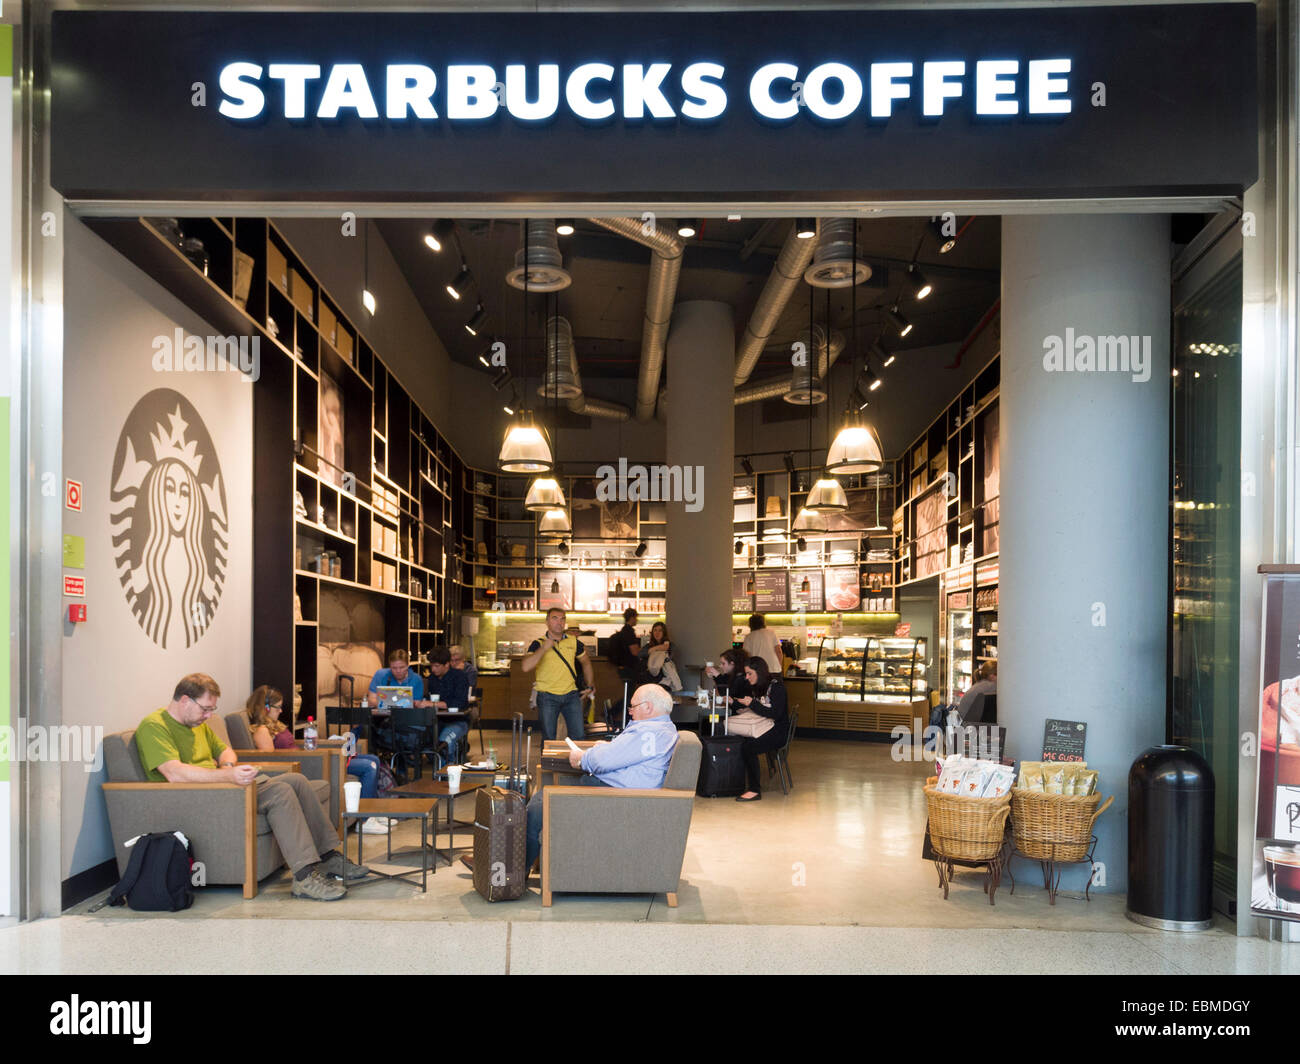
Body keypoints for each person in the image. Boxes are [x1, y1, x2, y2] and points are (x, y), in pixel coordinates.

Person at [135, 673, 369, 901]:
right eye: (205, 709)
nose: (207, 716)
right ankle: (304, 878)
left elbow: (226, 750)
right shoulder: (154, 726)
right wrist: (227, 775)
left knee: (297, 781)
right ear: (185, 700)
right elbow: (175, 774)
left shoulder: (198, 724)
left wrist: (227, 766)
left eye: (211, 710)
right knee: (280, 792)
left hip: (221, 787)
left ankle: (328, 856)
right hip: (197, 798)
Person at [524, 684, 679, 874]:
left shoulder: (648, 732)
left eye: (633, 706)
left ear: (648, 707)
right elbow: (621, 755)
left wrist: (582, 758)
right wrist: (605, 749)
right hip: (616, 794)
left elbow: (601, 762)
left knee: (536, 806)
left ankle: (512, 874)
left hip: (610, 798)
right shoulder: (663, 729)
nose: (630, 712)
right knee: (544, 793)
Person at [521, 607, 594, 741]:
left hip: (571, 695)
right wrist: (544, 649)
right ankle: (549, 763)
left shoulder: (573, 641)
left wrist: (589, 686)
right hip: (547, 696)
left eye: (562, 619)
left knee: (579, 736)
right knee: (549, 738)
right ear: (547, 622)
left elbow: (586, 663)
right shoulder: (538, 643)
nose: (559, 622)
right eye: (555, 618)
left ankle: (576, 762)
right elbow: (526, 667)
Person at [732, 656, 789, 802]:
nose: (747, 677)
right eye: (746, 673)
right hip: (765, 727)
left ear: (759, 672)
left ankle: (754, 790)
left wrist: (752, 704)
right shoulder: (758, 687)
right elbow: (755, 707)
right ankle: (735, 783)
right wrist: (735, 702)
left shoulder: (777, 687)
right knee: (740, 740)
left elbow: (775, 714)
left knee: (748, 748)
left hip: (778, 732)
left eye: (750, 673)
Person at [426, 646, 471, 765]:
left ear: (447, 664)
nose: (433, 669)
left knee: (445, 742)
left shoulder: (459, 677)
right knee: (423, 741)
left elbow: (459, 702)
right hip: (437, 721)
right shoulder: (432, 679)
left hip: (458, 721)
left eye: (436, 666)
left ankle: (449, 771)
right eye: (431, 666)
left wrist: (432, 703)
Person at [246, 685, 295, 750]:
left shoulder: (275, 724)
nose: (281, 711)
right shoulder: (262, 731)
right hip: (293, 759)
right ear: (266, 708)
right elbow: (270, 758)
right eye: (278, 707)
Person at [639, 621, 683, 691]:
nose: (657, 633)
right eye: (655, 630)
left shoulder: (671, 646)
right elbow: (640, 654)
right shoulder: (648, 646)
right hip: (650, 679)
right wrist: (657, 648)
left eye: (660, 630)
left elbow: (671, 655)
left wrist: (653, 650)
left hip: (665, 680)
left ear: (664, 633)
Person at [613, 607, 641, 708]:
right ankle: (612, 712)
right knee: (629, 696)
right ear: (632, 618)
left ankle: (616, 714)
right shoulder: (629, 632)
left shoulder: (624, 631)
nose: (637, 620)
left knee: (629, 695)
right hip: (629, 668)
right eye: (636, 618)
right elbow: (634, 651)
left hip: (624, 667)